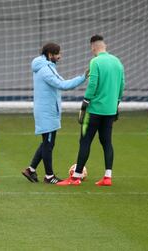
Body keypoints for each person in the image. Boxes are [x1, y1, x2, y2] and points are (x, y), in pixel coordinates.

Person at [57, 35, 125, 186]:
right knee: (107, 142)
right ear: (104, 45)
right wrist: (116, 104)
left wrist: (84, 103)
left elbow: (93, 83)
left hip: (94, 111)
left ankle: (75, 177)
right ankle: (108, 177)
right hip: (110, 111)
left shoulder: (95, 61)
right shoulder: (117, 62)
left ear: (93, 47)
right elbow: (122, 85)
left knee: (85, 141)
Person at [21, 42, 87, 184]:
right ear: (50, 55)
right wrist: (83, 77)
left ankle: (31, 170)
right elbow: (63, 85)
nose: (60, 56)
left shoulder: (47, 67)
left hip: (47, 111)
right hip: (47, 113)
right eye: (58, 54)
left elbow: (61, 81)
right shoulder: (45, 70)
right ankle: (49, 176)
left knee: (46, 142)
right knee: (48, 145)